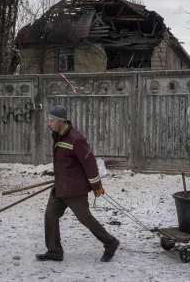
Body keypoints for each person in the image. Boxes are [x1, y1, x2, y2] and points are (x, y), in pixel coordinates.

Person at [36, 105, 119, 262]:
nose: (48, 123)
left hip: (75, 189)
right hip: (60, 187)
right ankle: (54, 251)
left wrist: (97, 187)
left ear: (60, 122)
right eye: (48, 120)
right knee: (50, 215)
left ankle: (110, 242)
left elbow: (90, 164)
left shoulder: (76, 139)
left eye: (51, 120)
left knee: (85, 218)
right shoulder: (58, 136)